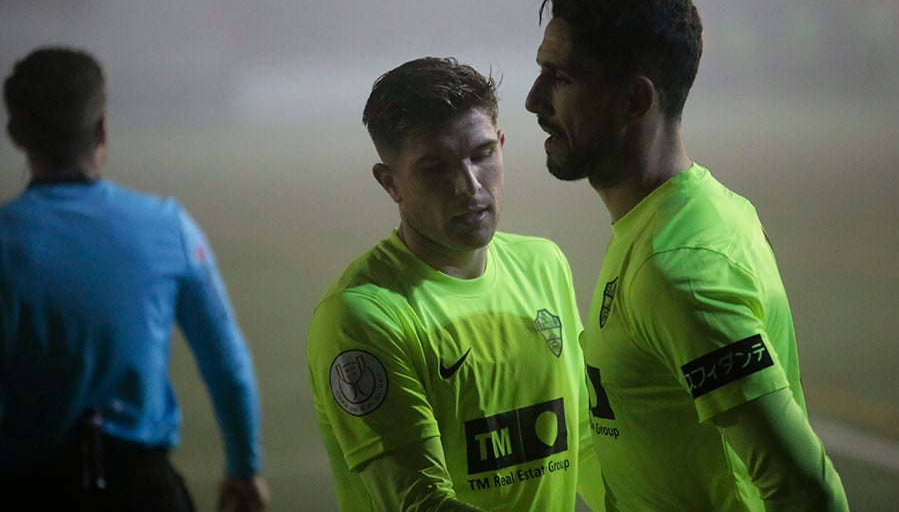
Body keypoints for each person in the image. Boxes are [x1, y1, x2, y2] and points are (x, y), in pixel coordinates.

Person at [525, 0, 849, 511]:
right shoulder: (679, 216)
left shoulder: (677, 270)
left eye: (560, 78)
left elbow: (805, 491)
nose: (535, 100)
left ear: (634, 99)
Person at [306, 57, 603, 511]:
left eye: (482, 154)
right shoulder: (362, 316)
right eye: (434, 168)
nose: (469, 186)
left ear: (502, 145)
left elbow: (583, 439)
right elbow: (421, 503)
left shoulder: (543, 264)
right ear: (391, 183)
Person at [0, 47, 269, 511]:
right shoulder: (167, 226)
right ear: (102, 127)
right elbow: (227, 365)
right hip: (142, 489)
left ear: (15, 134)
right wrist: (244, 469)